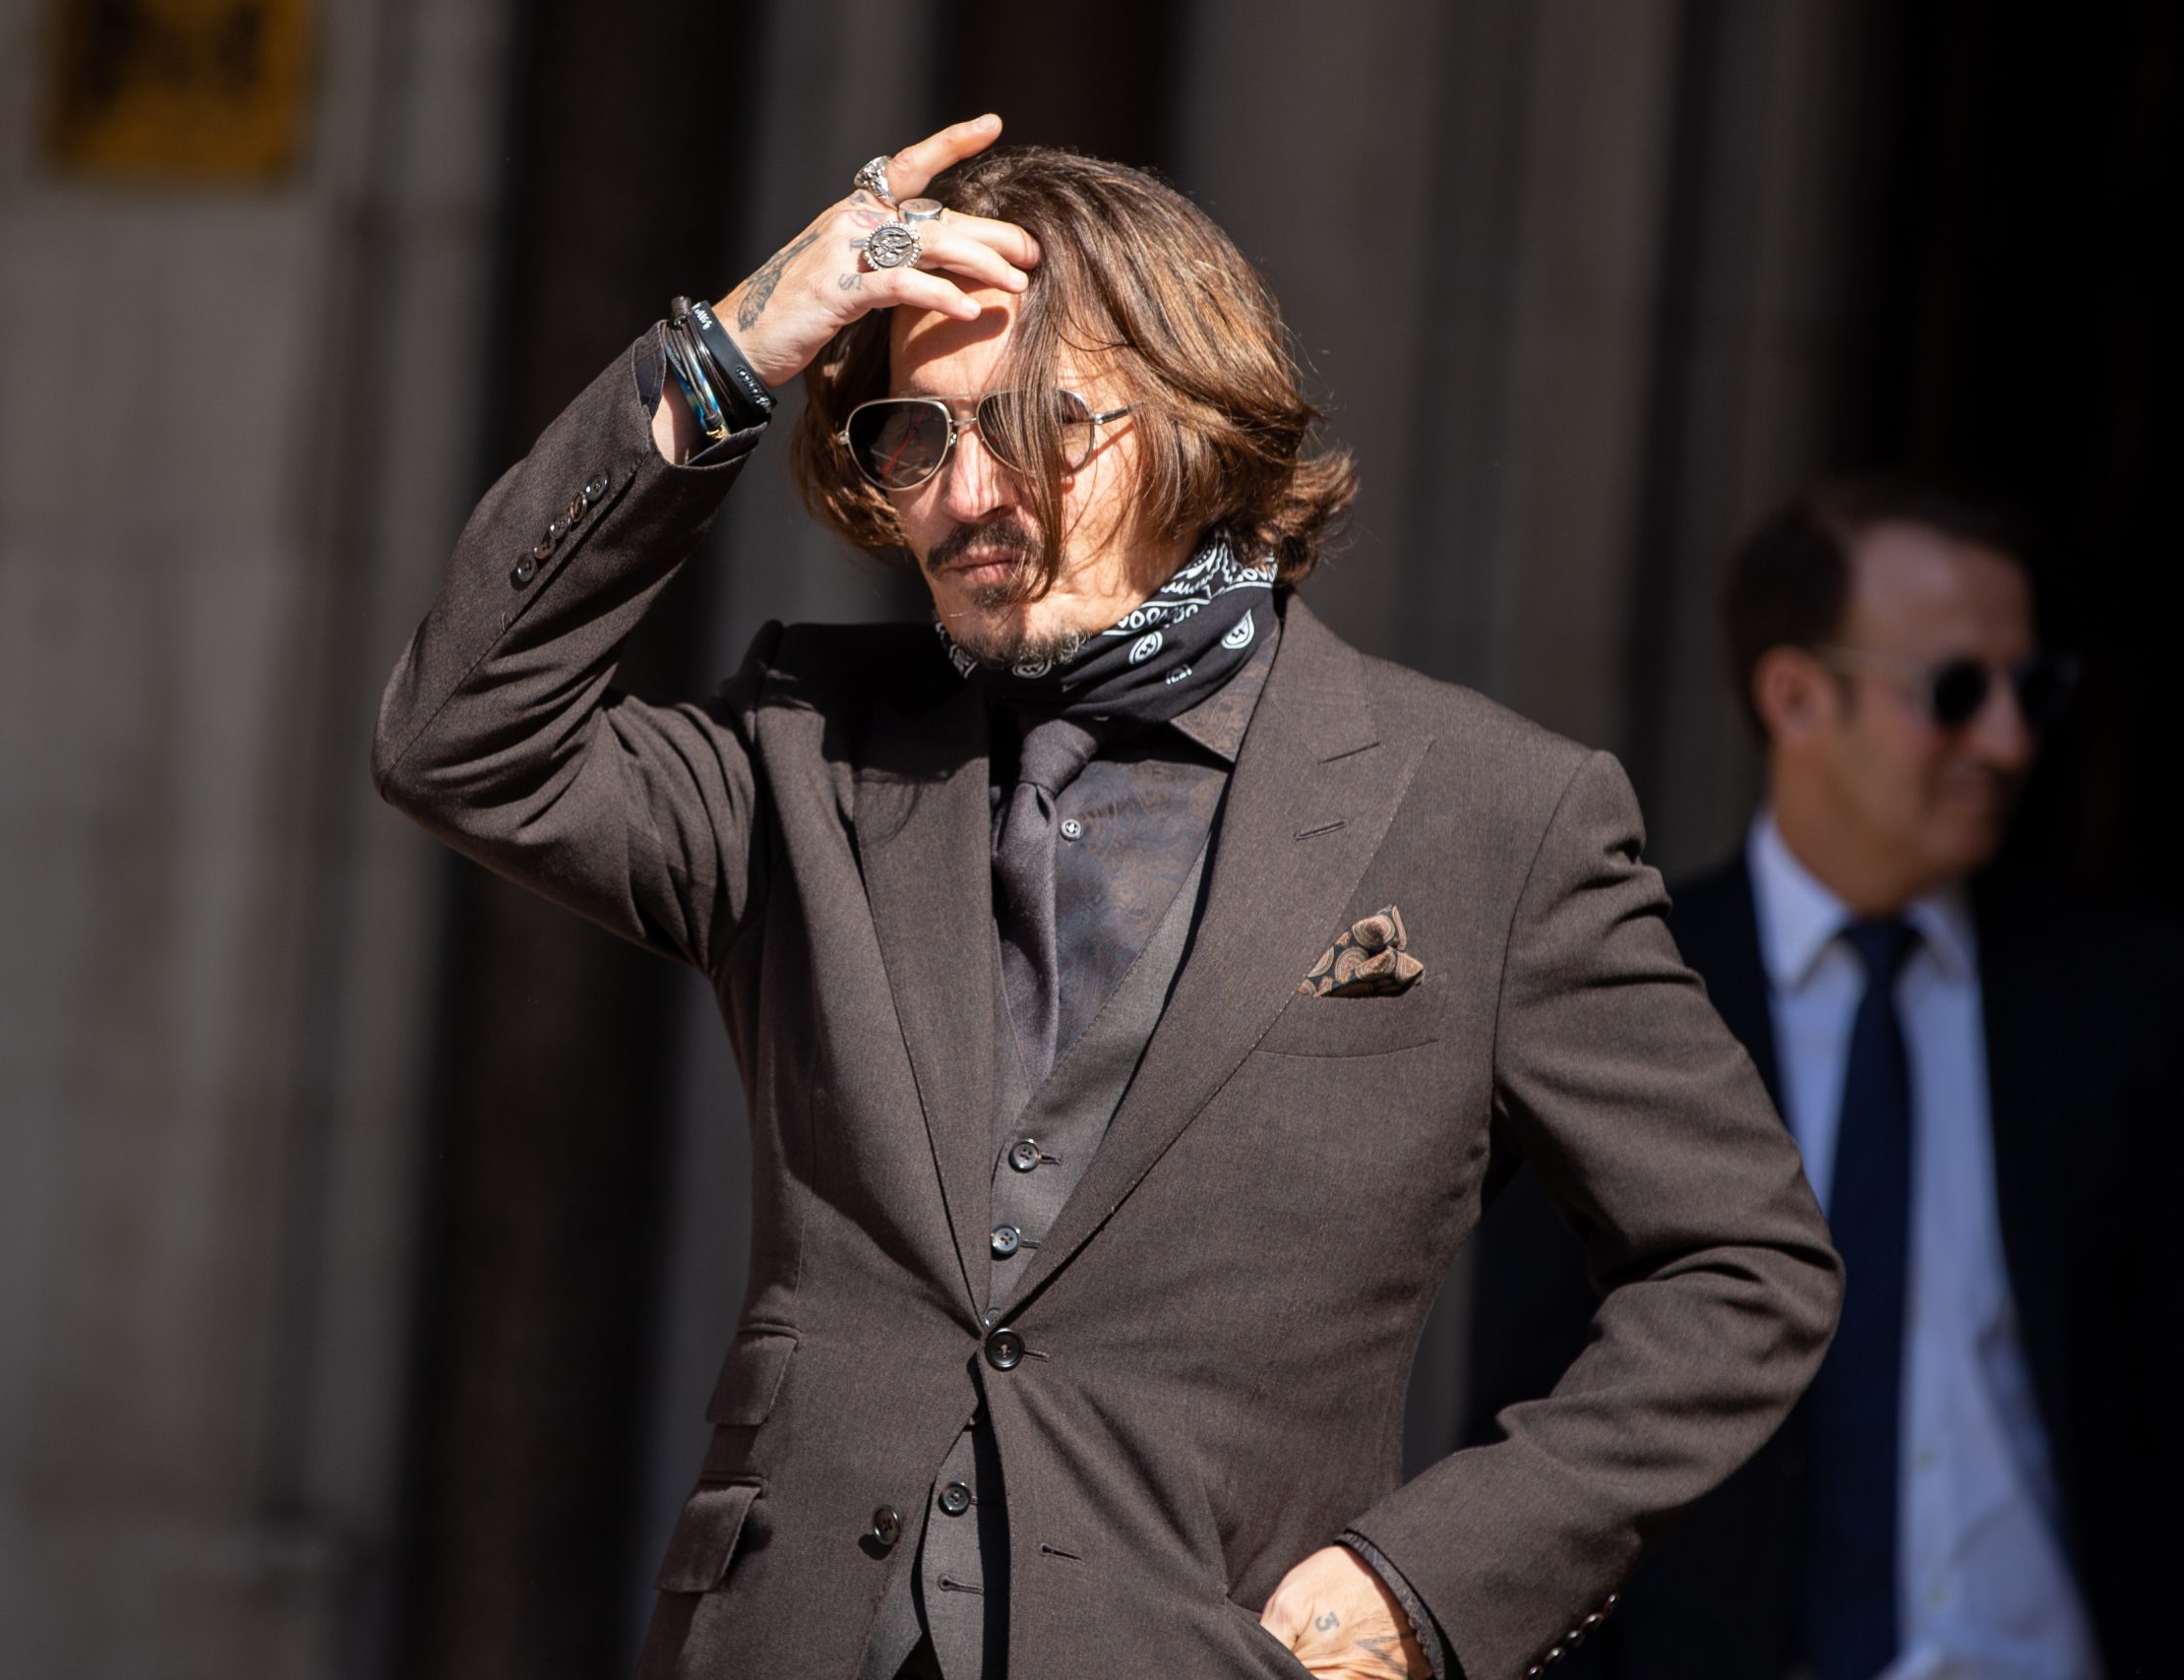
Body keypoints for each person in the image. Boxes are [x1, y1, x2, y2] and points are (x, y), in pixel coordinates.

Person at [373, 118, 1841, 1680]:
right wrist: (728, 352)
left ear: (1195, 418)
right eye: (914, 439)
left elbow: (1741, 1270)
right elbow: (460, 738)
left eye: (1033, 426)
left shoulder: (1489, 813)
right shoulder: (807, 753)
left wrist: (1422, 1589)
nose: (967, 493)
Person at [1470, 476, 2184, 1680]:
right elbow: (1532, 1433)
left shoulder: (2127, 1001)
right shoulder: (1613, 985)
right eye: (1957, 691)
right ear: (1796, 696)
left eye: (2032, 689)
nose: (2007, 742)